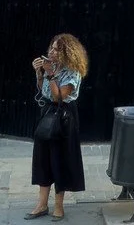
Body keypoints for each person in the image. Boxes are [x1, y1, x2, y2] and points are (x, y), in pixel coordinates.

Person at [28, 33, 89, 220]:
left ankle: (59, 206)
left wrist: (52, 75)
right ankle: (41, 204)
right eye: (51, 48)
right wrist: (40, 74)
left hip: (64, 117)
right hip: (47, 115)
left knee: (59, 160)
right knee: (43, 159)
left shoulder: (73, 71)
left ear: (66, 52)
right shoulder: (50, 67)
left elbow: (58, 97)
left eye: (56, 49)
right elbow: (43, 91)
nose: (51, 52)